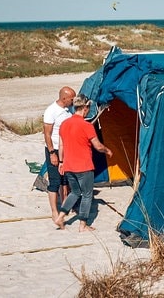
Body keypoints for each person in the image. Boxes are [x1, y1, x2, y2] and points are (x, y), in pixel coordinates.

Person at [55, 94, 112, 232]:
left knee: (74, 192)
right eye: (88, 107)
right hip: (84, 165)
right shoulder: (86, 126)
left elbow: (61, 146)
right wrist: (107, 150)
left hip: (69, 165)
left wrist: (61, 162)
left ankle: (61, 216)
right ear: (85, 108)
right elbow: (97, 146)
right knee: (87, 194)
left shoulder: (64, 124)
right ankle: (83, 225)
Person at [43, 86, 76, 222]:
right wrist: (52, 153)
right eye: (71, 99)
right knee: (55, 181)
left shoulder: (69, 110)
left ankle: (64, 206)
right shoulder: (51, 111)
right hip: (55, 148)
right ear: (64, 98)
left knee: (65, 179)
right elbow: (47, 134)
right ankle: (54, 211)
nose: (73, 101)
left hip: (66, 148)